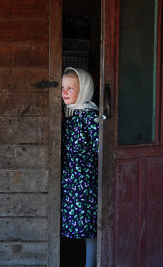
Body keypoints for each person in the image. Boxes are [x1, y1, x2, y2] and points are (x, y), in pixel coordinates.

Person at [61, 67, 100, 267]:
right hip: (73, 180)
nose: (64, 92)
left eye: (71, 88)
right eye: (62, 87)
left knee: (90, 228)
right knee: (82, 227)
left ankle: (91, 264)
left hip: (85, 181)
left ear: (84, 89)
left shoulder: (89, 116)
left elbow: (101, 148)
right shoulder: (71, 113)